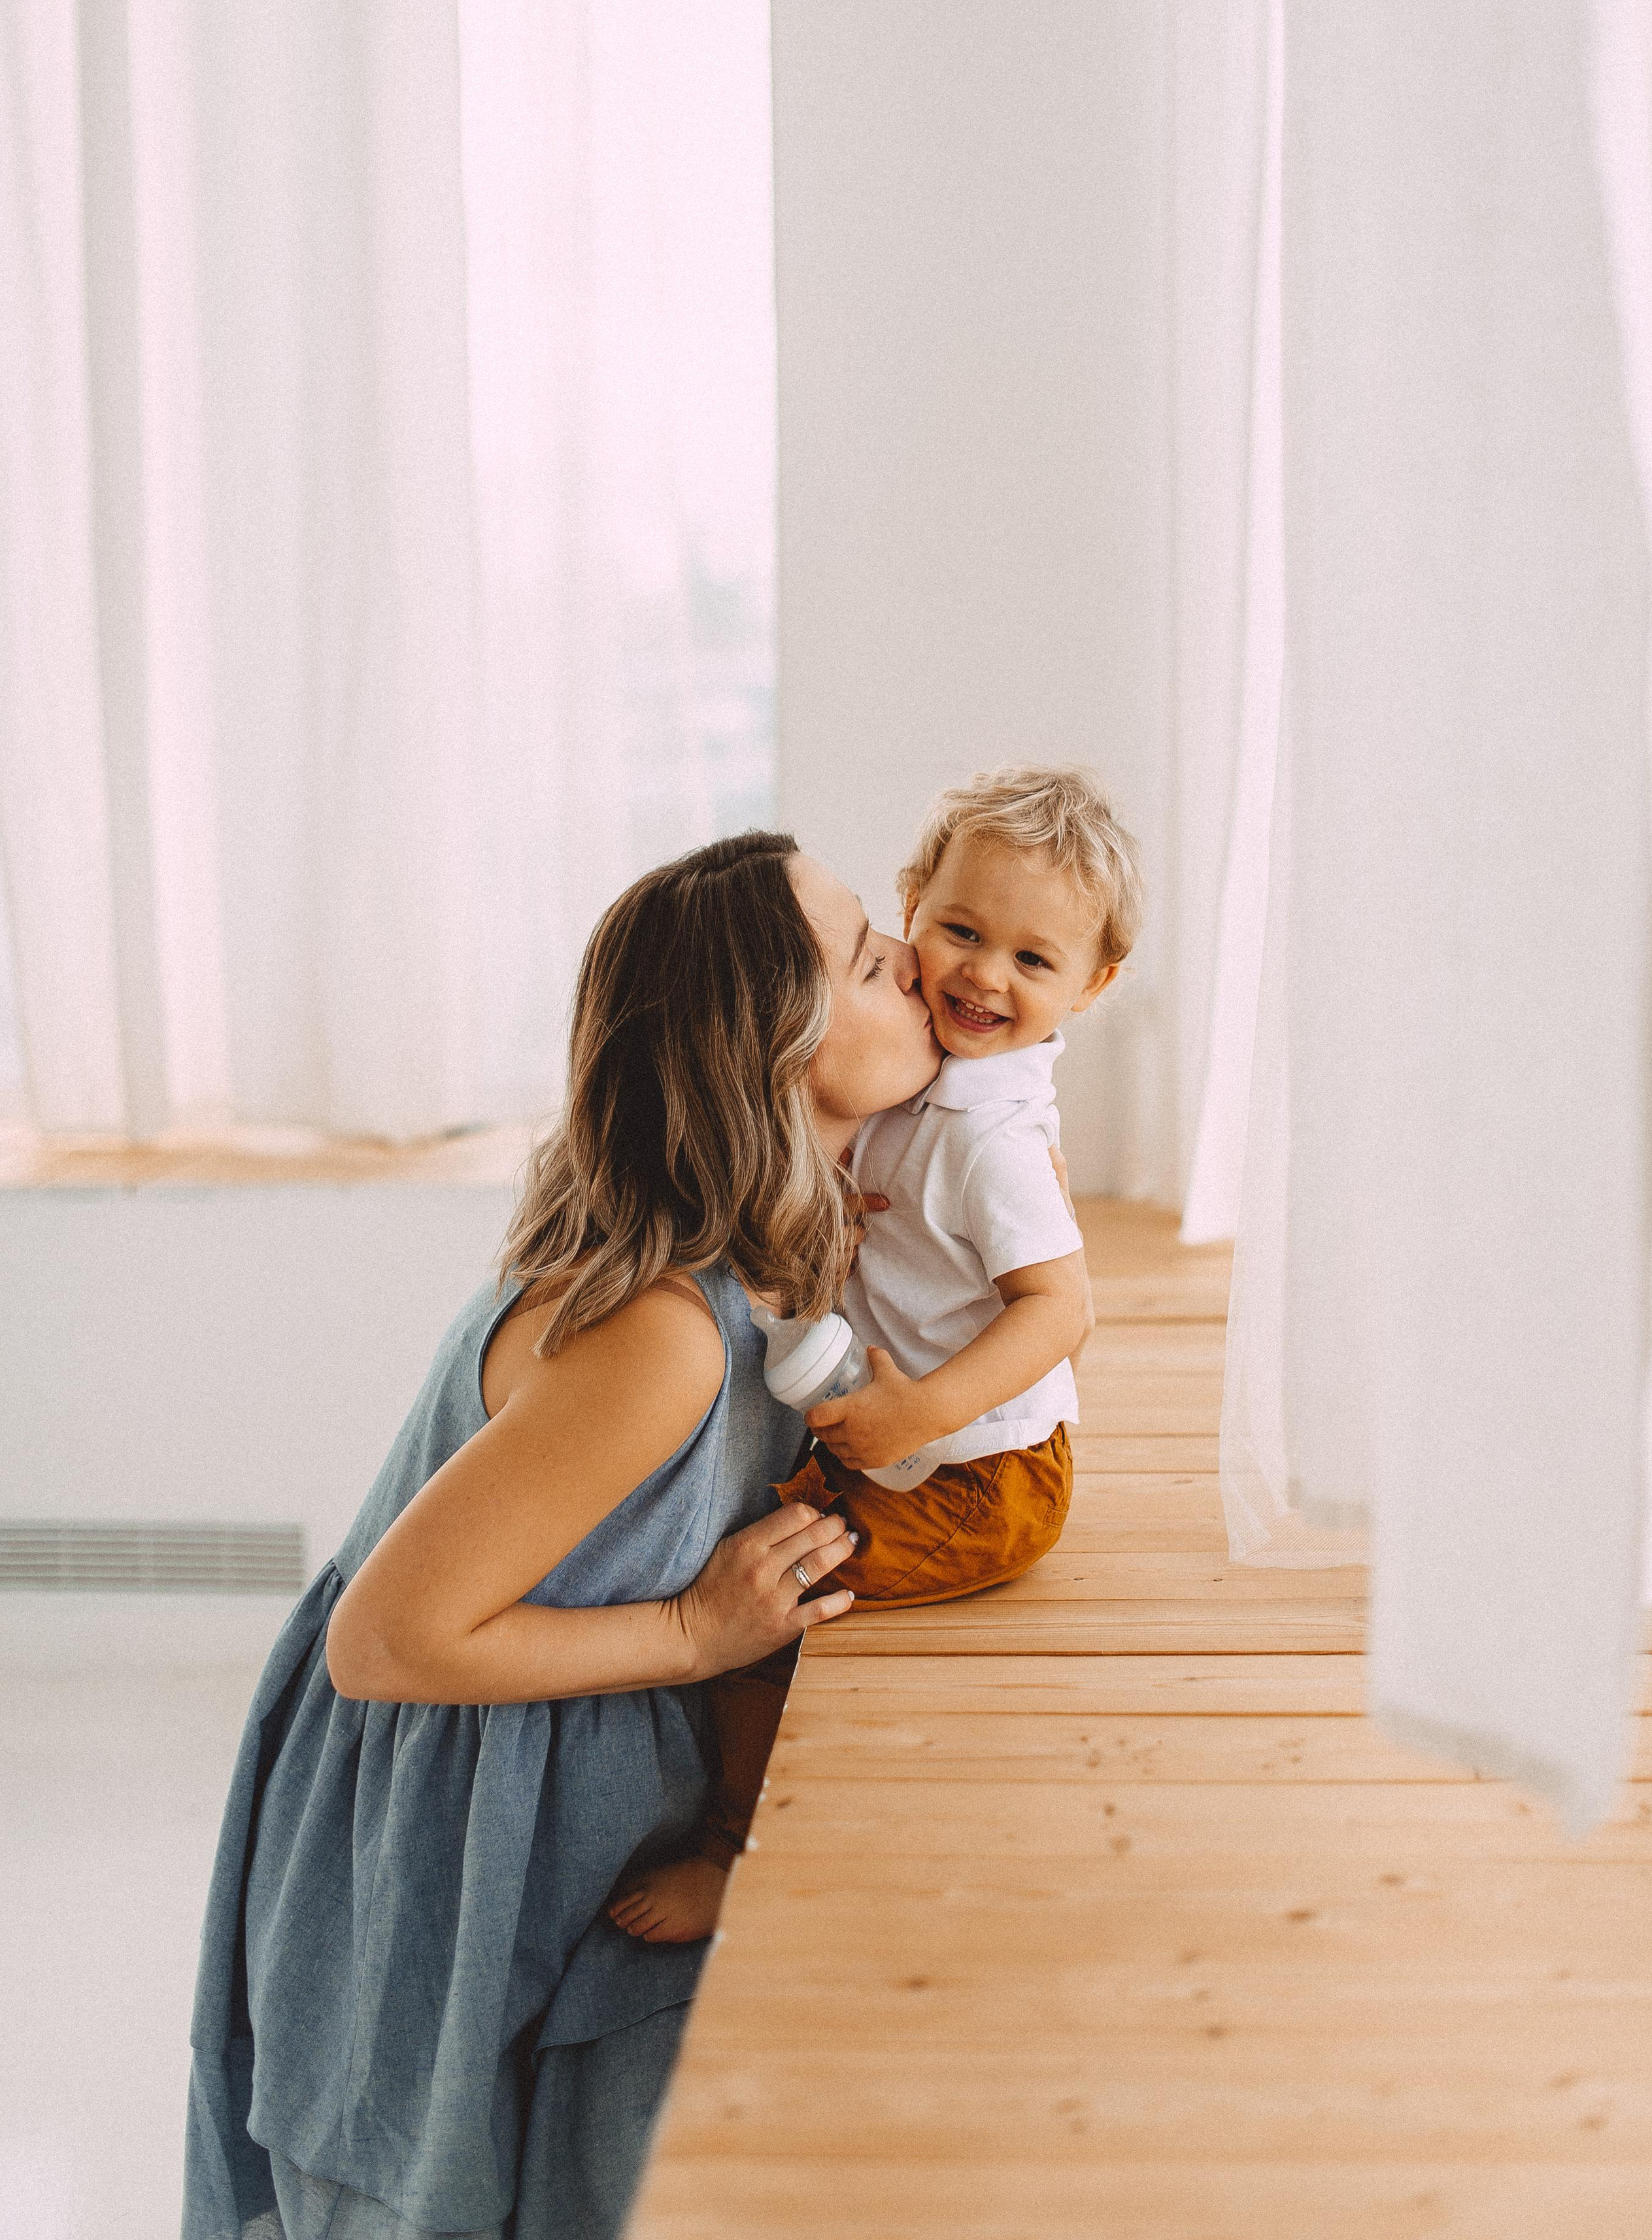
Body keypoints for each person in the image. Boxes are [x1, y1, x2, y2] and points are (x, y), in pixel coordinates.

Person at [180, 832, 944, 2240]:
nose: (908, 958)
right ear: (772, 1054)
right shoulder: (660, 1335)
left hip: (569, 1777)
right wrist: (696, 1632)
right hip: (456, 1813)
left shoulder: (785, 1248)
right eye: (861, 955)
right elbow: (384, 1641)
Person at [614, 767, 1139, 1948]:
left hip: (980, 1475)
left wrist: (922, 1415)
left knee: (768, 1599)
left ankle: (733, 1852)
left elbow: (1061, 1311)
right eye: (962, 931)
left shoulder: (991, 1132)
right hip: (918, 1440)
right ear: (914, 905)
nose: (984, 976)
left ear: (1093, 985)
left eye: (1034, 959)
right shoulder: (933, 1073)